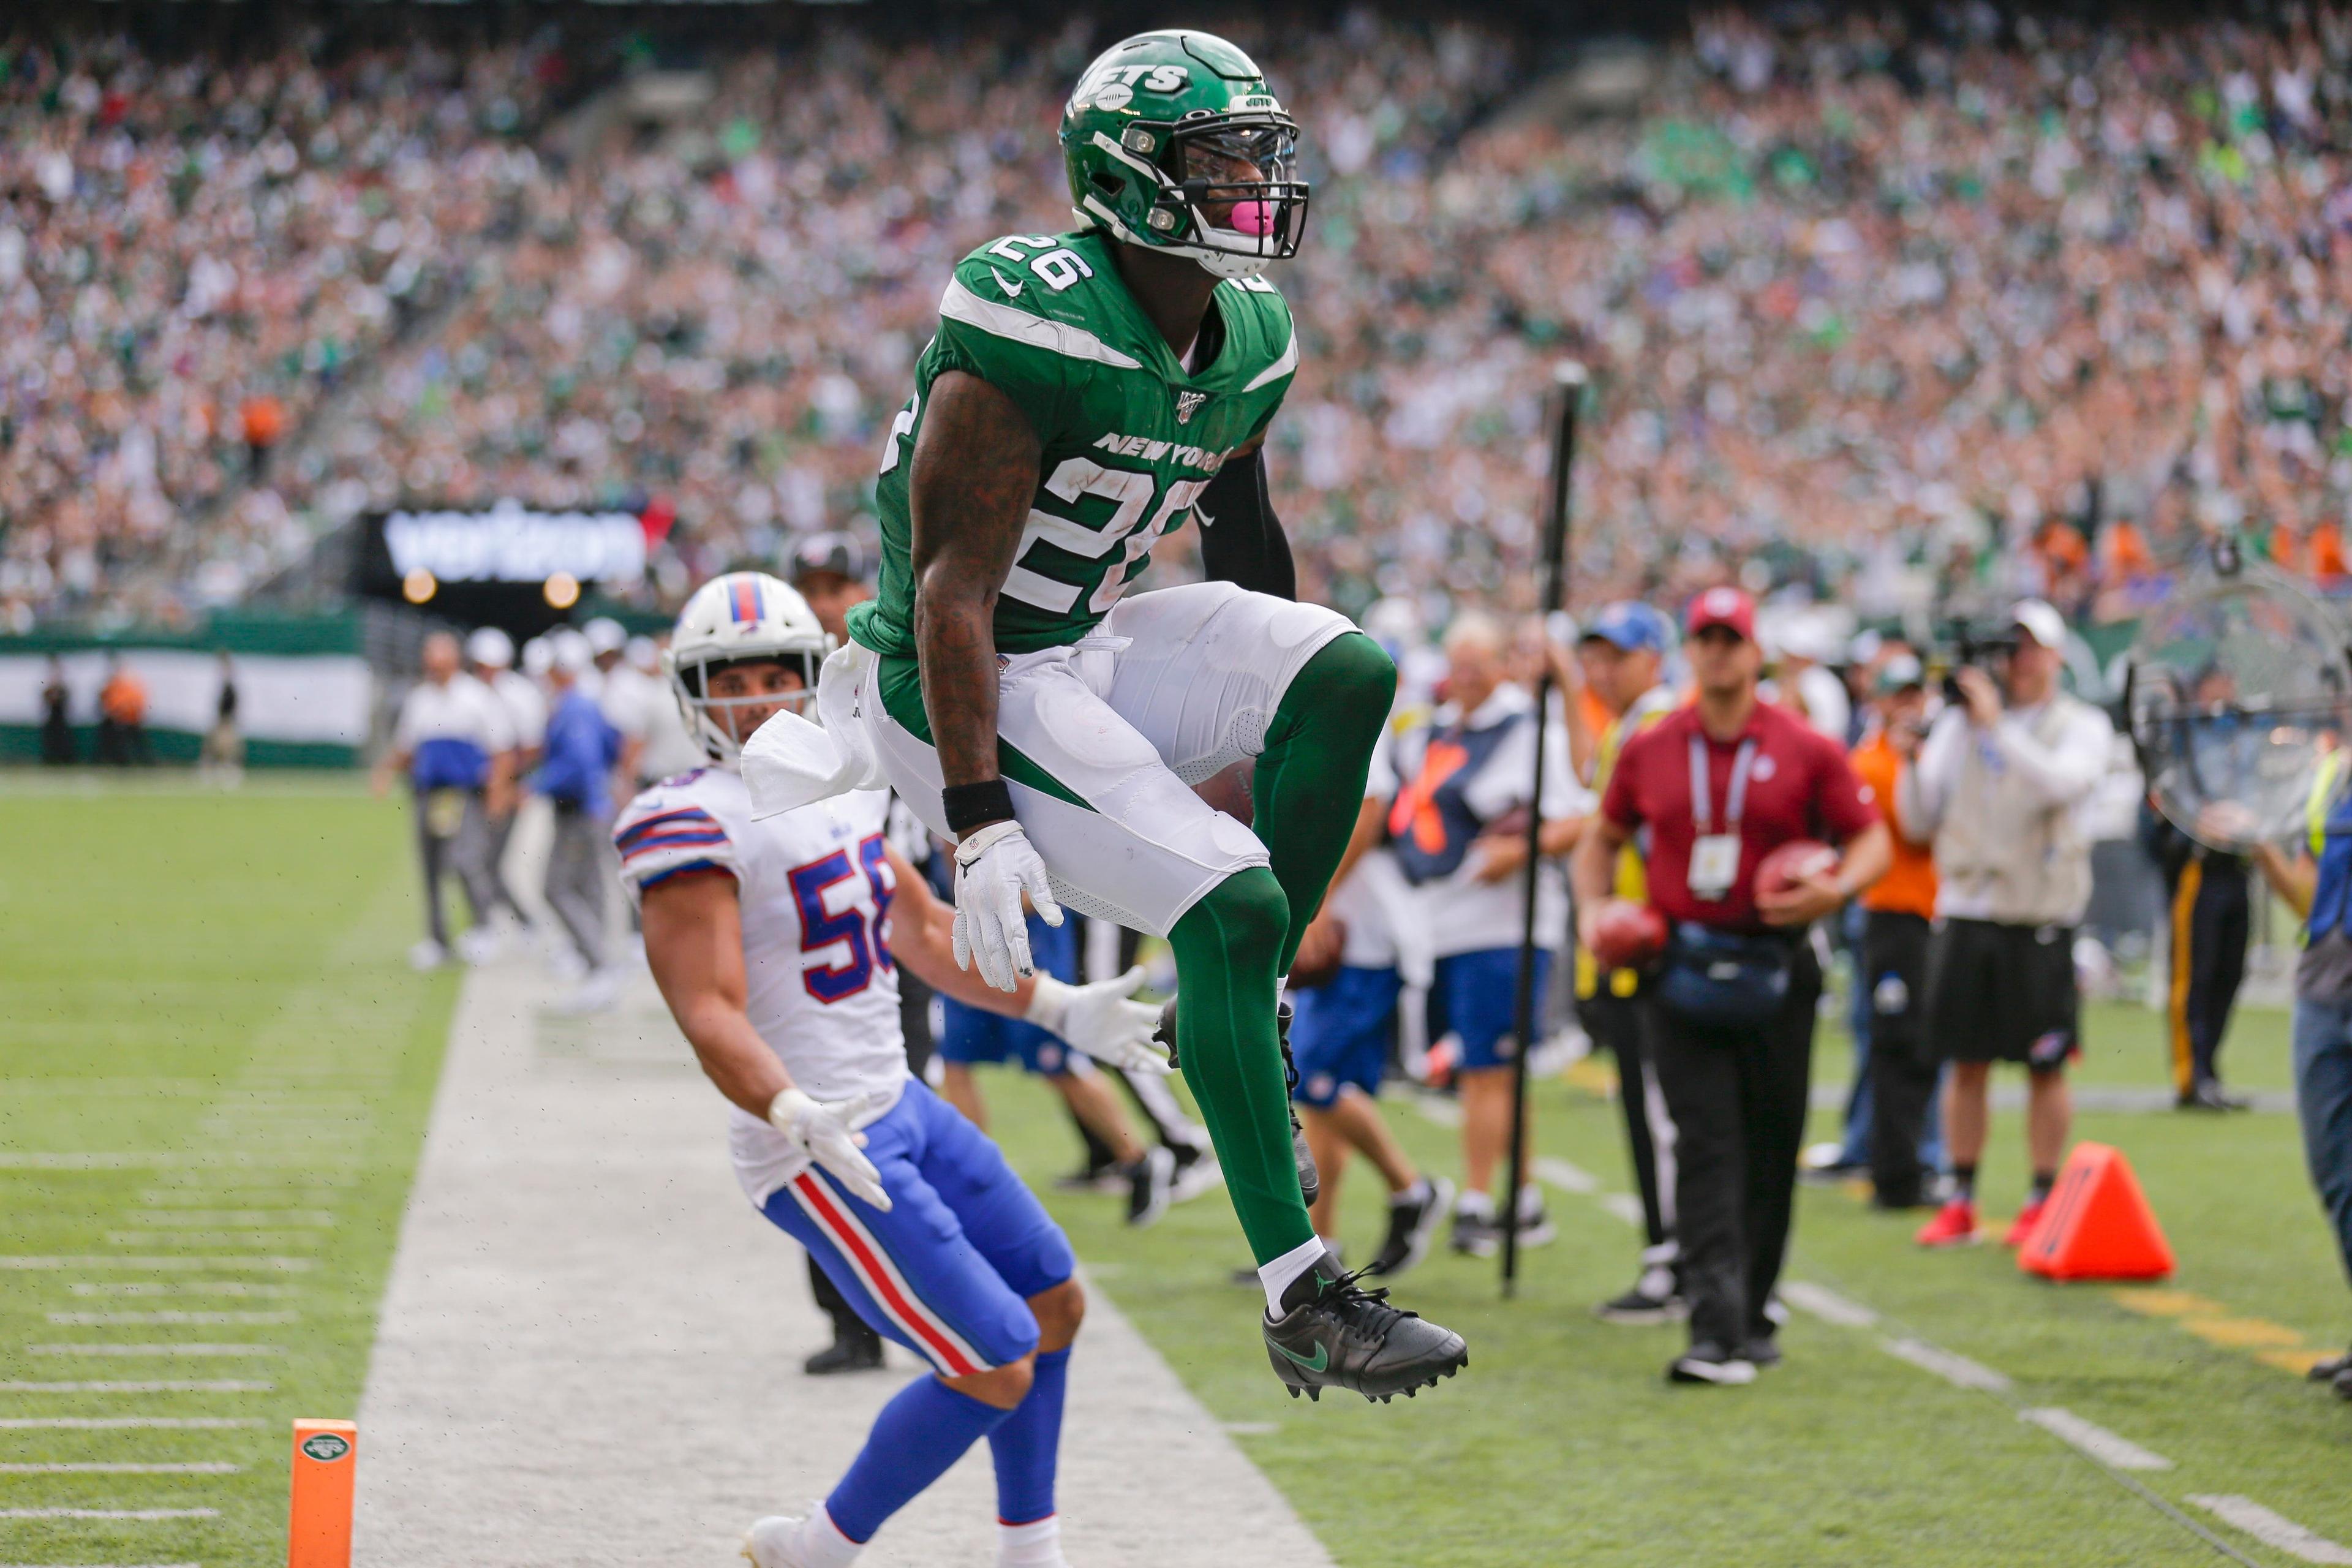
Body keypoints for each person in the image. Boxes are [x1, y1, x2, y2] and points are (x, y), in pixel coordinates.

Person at [758, 29, 1467, 1400]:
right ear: (1128, 176)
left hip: (1078, 638)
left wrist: (1269, 718)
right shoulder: (1034, 321)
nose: (1254, 179)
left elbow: (1244, 531)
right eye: (1218, 157)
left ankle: (1244, 1002)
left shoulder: (1250, 329)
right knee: (1233, 902)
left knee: (1350, 670)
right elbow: (955, 595)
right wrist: (976, 824)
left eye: (1258, 151)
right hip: (949, 674)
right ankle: (1301, 1292)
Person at [622, 572, 1171, 1567]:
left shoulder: (841, 787)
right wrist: (790, 1108)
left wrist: (1056, 1006)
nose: (751, 699)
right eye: (728, 679)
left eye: (769, 675)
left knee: (1054, 1305)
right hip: (817, 1141)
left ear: (803, 680)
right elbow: (706, 1007)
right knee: (995, 1356)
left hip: (901, 1104)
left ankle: (1028, 1547)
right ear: (692, 693)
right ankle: (822, 1546)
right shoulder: (688, 817)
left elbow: (921, 931)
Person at [1573, 586, 1890, 1385]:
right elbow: (1601, 837)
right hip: (1679, 965)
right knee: (1705, 1144)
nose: (1718, 651)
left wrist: (1836, 890)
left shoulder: (1807, 745)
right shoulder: (1652, 746)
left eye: (1731, 638)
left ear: (1755, 653)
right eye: (1705, 638)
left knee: (1771, 1144)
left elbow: (1871, 838)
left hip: (1777, 963)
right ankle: (1714, 1329)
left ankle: (1752, 1308)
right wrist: (1592, 910)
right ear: (1690, 651)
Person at [1902, 600, 2113, 1250]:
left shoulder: (2081, 724)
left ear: (2054, 655)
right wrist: (1912, 754)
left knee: (2044, 1065)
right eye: (2008, 647)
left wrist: (1996, 728)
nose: (2015, 661)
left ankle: (2041, 1195)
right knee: (1965, 1063)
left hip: (2038, 915)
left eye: (2028, 647)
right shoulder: (1959, 727)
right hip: (1968, 909)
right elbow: (1917, 818)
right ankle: (1961, 1194)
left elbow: (2061, 785)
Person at [1385, 612, 1586, 1256]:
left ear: (1504, 665)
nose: (1466, 676)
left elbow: (1570, 819)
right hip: (1443, 918)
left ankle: (1478, 1198)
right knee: (1487, 1067)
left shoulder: (1527, 732)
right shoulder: (1437, 731)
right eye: (1458, 663)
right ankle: (1522, 1196)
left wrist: (1516, 850)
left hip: (1503, 921)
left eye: (1479, 663)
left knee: (1487, 1069)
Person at [1284, 731, 1451, 1278]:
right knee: (1327, 1093)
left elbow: (1370, 809)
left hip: (1364, 934)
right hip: (1349, 931)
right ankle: (1322, 1241)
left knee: (1311, 1075)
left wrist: (1318, 898)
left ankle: (1411, 1189)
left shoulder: (1343, 700)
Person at [1571, 601, 1687, 1322]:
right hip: (1627, 944)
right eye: (1595, 655)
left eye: (1618, 655)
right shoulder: (1628, 726)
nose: (1602, 669)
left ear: (1654, 657)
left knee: (1663, 1115)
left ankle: (1674, 1256)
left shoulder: (1657, 724)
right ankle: (1672, 1251)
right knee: (1651, 1113)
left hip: (1648, 947)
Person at [2242, 752, 2352, 1406]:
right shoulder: (2333, 778)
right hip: (2323, 992)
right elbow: (2310, 898)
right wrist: (2261, 847)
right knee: (2336, 1173)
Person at [1848, 656, 1945, 1208]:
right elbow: (1917, 828)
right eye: (1897, 695)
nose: (1908, 705)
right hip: (1892, 913)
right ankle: (1895, 1172)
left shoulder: (1927, 758)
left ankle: (1912, 1164)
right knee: (1895, 1045)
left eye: (1915, 693)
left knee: (1919, 1045)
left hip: (1928, 913)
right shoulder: (1870, 765)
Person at [2141, 677, 2255, 1112]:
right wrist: (2194, 825)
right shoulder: (2181, 737)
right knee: (2195, 975)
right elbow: (2161, 804)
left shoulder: (2241, 735)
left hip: (2238, 866)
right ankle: (2191, 1077)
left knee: (2229, 972)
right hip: (2198, 868)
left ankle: (2210, 1069)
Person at [374, 630, 515, 971]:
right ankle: (437, 940)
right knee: (430, 867)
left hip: (463, 795)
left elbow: (501, 750)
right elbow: (406, 746)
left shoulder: (476, 697)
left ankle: (483, 927)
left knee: (467, 861)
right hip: (428, 793)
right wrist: (386, 771)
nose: (435, 669)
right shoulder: (420, 698)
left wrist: (498, 793)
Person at [537, 633, 624, 1012]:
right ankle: (594, 962)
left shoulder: (576, 708)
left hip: (581, 810)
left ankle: (598, 964)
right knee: (586, 886)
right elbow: (610, 748)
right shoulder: (584, 704)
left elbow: (582, 762)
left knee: (556, 887)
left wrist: (535, 784)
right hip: (586, 808)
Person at [467, 625, 545, 935]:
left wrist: (507, 784)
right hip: (478, 786)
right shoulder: (472, 691)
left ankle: (509, 923)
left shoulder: (520, 694)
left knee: (488, 860)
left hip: (508, 785)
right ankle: (510, 923)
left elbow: (531, 748)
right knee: (480, 860)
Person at [95, 655, 149, 766]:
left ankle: (144, 762)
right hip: (116, 719)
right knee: (109, 738)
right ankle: (112, 760)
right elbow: (105, 699)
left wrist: (124, 713)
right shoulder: (113, 685)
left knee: (136, 742)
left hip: (130, 719)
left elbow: (135, 703)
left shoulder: (130, 685)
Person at [198, 651, 243, 785]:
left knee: (228, 748)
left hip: (227, 721)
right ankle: (212, 771)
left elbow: (232, 704)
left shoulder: (231, 687)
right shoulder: (223, 685)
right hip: (221, 720)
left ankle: (231, 773)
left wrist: (228, 719)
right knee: (213, 746)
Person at [39, 655, 75, 766]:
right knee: (51, 738)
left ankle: (64, 759)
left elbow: (66, 701)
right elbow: (45, 699)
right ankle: (51, 758)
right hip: (52, 716)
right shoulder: (49, 689)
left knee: (62, 738)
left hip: (61, 717)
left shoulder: (63, 689)